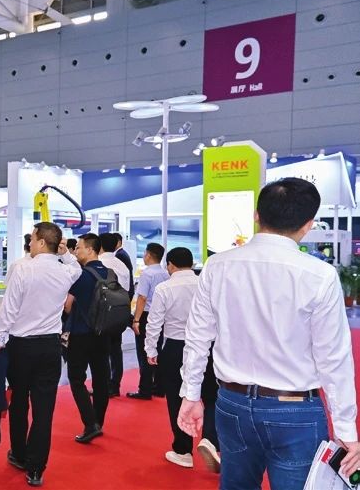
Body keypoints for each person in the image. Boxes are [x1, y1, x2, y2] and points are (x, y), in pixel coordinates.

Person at [179, 178, 359, 488]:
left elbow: (197, 336)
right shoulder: (320, 275)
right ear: (308, 225)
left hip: (232, 403)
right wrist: (346, 430)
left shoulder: (217, 266)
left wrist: (191, 394)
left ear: (256, 215)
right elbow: (333, 357)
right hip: (295, 410)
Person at [0, 222, 81, 487]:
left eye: (33, 239)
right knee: (44, 410)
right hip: (50, 347)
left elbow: (9, 310)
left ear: (42, 242)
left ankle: (19, 454)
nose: (30, 243)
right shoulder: (65, 271)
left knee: (19, 402)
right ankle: (36, 468)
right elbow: (77, 268)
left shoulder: (23, 269)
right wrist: (65, 253)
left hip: (21, 346)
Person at [145, 247, 220, 471]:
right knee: (211, 396)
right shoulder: (205, 284)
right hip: (207, 346)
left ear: (170, 265)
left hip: (175, 347)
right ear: (192, 263)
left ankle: (182, 450)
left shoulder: (164, 288)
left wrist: (151, 350)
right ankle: (210, 439)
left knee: (176, 398)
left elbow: (154, 322)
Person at [64, 233, 111, 444]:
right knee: (101, 378)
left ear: (90, 250)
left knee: (76, 378)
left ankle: (90, 424)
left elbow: (67, 305)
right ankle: (98, 421)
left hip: (81, 333)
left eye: (79, 247)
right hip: (103, 333)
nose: (76, 251)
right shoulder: (110, 273)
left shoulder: (82, 276)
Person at [128, 242, 168, 400]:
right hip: (160, 315)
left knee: (144, 351)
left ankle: (144, 389)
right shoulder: (165, 273)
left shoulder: (147, 274)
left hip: (146, 315)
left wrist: (136, 320)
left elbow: (142, 298)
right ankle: (159, 387)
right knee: (156, 349)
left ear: (149, 255)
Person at [98, 232, 132, 398]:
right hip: (120, 310)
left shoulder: (100, 263)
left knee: (101, 351)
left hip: (103, 312)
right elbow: (128, 288)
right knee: (116, 349)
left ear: (100, 246)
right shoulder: (121, 264)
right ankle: (114, 384)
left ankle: (104, 386)